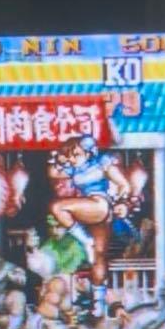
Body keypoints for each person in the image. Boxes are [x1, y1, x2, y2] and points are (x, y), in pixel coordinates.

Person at [47, 135, 131, 317]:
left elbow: (124, 184)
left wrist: (122, 202)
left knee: (58, 207)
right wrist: (59, 159)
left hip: (100, 204)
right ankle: (98, 305)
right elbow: (53, 173)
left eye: (76, 154)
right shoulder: (74, 168)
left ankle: (85, 240)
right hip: (93, 211)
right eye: (70, 155)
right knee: (98, 257)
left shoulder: (102, 163)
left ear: (89, 152)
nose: (73, 158)